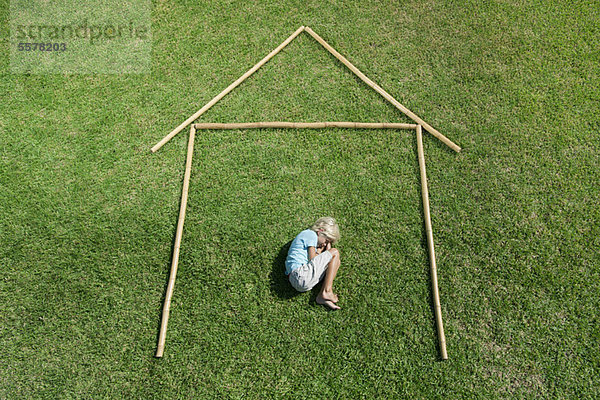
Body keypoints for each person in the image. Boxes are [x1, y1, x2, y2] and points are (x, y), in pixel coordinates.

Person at [285, 217, 342, 310]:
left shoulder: (312, 243)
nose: (324, 244)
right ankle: (327, 291)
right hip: (299, 274)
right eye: (326, 241)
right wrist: (329, 251)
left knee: (336, 262)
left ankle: (321, 296)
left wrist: (322, 251)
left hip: (300, 279)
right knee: (334, 252)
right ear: (320, 231)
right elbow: (313, 259)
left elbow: (313, 261)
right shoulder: (310, 234)